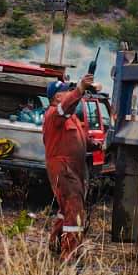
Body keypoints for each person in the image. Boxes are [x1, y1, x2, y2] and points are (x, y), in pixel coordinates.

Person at [42, 74, 94, 262]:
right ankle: (69, 255)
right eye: (66, 92)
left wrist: (97, 145)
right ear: (57, 97)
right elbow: (67, 106)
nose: (70, 94)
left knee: (66, 209)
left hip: (72, 170)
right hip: (63, 169)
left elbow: (81, 139)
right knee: (74, 210)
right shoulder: (54, 114)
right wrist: (80, 88)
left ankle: (55, 243)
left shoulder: (70, 118)